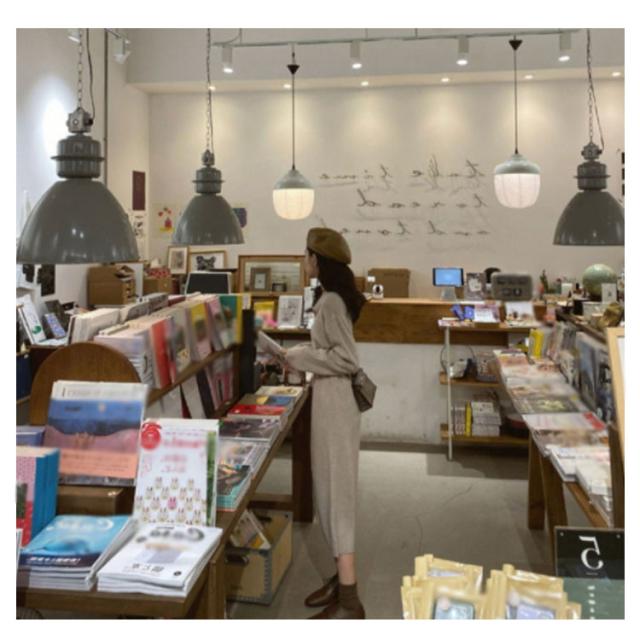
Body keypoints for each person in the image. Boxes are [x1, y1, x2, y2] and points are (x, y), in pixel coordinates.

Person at [259, 227, 366, 619]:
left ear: (317, 259)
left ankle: (350, 600)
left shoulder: (331, 302)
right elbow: (330, 350)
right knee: (329, 491)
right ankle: (342, 581)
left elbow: (346, 359)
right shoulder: (332, 298)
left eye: (306, 256)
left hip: (336, 403)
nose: (304, 262)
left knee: (336, 495)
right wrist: (301, 353)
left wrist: (297, 356)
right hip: (331, 399)